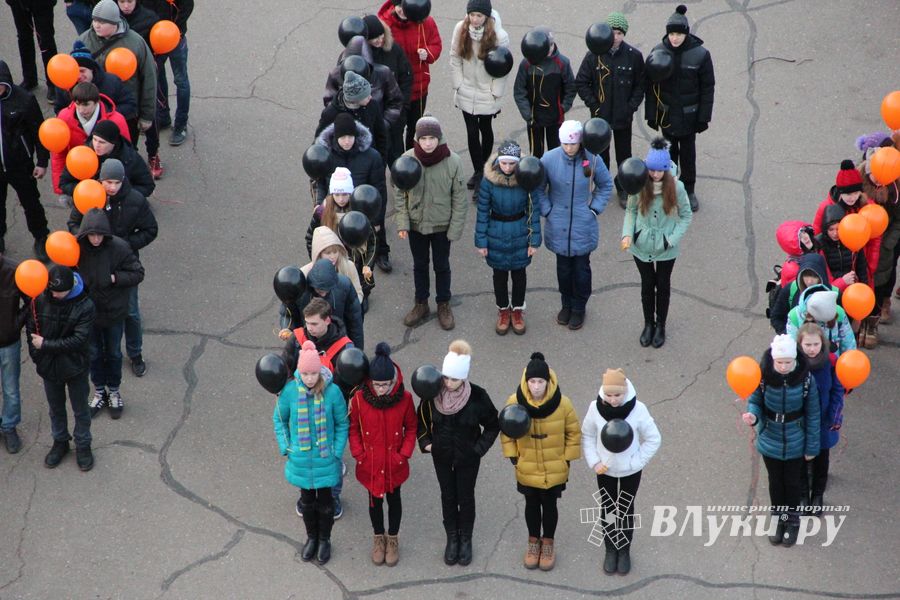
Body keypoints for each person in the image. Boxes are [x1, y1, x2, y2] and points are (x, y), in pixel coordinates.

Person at [67, 159, 157, 377]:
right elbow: (73, 224)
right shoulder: (88, 195)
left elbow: (150, 229)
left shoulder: (135, 200)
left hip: (123, 264)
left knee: (131, 312)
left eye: (117, 182)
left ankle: (135, 353)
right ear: (100, 180)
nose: (113, 187)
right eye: (108, 182)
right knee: (92, 311)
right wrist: (88, 239)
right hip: (92, 264)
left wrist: (125, 245)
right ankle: (97, 356)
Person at [417, 340, 499, 566]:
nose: (448, 383)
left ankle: (466, 538)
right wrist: (427, 443)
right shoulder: (432, 394)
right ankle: (452, 538)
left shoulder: (478, 397)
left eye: (454, 379)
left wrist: (477, 450)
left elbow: (493, 425)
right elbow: (421, 420)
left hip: (467, 459)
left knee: (466, 497)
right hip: (441, 457)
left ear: (463, 377)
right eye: (446, 377)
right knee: (448, 497)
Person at [500, 352, 580, 571]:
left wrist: (567, 458)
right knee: (531, 504)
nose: (536, 387)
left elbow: (573, 432)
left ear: (548, 381)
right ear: (526, 381)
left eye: (540, 382)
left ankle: (548, 543)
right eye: (532, 381)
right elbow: (506, 430)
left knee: (550, 505)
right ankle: (533, 542)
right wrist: (514, 456)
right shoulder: (515, 402)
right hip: (527, 465)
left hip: (554, 467)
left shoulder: (563, 404)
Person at [530, 120, 613, 331]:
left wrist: (594, 209)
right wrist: (547, 210)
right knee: (564, 270)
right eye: (565, 144)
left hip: (583, 225)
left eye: (573, 144)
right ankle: (566, 304)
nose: (569, 148)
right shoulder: (548, 159)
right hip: (558, 225)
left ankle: (579, 307)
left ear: (580, 142)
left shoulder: (593, 159)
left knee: (582, 270)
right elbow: (538, 188)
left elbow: (605, 185)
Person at [273, 339, 349, 565]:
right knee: (306, 503)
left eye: (313, 373)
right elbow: (280, 420)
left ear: (319, 371)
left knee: (326, 503)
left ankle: (325, 539)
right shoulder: (289, 392)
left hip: (326, 458)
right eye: (305, 374)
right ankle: (312, 538)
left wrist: (336, 451)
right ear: (299, 371)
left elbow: (342, 423)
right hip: (301, 459)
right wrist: (287, 447)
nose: (309, 378)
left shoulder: (333, 392)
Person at [742, 335, 820, 547]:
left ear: (794, 360)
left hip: (796, 440)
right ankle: (778, 519)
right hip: (770, 438)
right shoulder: (762, 377)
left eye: (787, 362)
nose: (784, 367)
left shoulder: (806, 380)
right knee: (775, 483)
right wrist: (753, 416)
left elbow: (813, 414)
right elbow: (755, 401)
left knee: (793, 484)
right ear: (773, 360)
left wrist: (812, 447)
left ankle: (792, 521)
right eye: (780, 362)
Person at [581, 368, 660, 575]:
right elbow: (587, 435)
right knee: (608, 508)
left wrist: (636, 462)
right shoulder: (594, 408)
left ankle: (624, 550)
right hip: (604, 470)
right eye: (609, 395)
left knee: (625, 509)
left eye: (618, 395)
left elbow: (654, 438)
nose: (613, 400)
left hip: (630, 472)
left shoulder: (638, 409)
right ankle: (610, 549)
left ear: (625, 391)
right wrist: (594, 462)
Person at [394, 116, 468, 330]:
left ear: (439, 137)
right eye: (423, 138)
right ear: (417, 139)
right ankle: (421, 303)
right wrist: (403, 223)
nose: (428, 143)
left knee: (442, 265)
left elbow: (460, 198)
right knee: (420, 265)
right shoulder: (407, 159)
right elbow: (399, 193)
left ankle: (443, 303)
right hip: (416, 225)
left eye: (432, 138)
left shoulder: (453, 161)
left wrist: (455, 229)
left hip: (442, 226)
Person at [348, 342, 416, 566]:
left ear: (393, 381)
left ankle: (392, 538)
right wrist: (359, 454)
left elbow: (411, 428)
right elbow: (353, 428)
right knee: (374, 503)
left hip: (394, 463)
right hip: (370, 463)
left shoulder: (405, 399)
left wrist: (403, 455)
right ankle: (378, 537)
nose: (381, 389)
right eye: (377, 384)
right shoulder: (359, 399)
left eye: (385, 384)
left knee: (394, 500)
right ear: (370, 381)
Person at [621, 138, 692, 348]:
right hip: (641, 244)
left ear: (666, 170)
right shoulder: (639, 183)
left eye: (659, 171)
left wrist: (671, 240)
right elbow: (631, 210)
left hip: (665, 247)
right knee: (646, 285)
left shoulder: (677, 187)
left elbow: (686, 216)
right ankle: (648, 324)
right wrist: (627, 234)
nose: (655, 174)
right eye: (651, 170)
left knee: (662, 285)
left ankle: (661, 325)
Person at [25, 265, 96, 470]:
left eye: (59, 292)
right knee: (55, 409)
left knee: (80, 409)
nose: (54, 295)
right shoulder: (41, 299)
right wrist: (38, 357)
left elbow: (79, 340)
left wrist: (45, 345)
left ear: (70, 288)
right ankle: (60, 441)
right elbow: (31, 329)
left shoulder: (85, 305)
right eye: (52, 290)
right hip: (49, 366)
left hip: (76, 366)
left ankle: (83, 445)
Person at [644, 4, 714, 212]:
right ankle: (669, 189)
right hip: (667, 115)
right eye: (672, 34)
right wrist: (651, 114)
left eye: (679, 34)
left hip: (689, 116)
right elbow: (651, 86)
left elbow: (708, 88)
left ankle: (689, 189)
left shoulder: (700, 55)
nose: (675, 38)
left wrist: (704, 117)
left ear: (686, 33)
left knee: (688, 155)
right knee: (669, 154)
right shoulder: (658, 52)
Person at [76, 208, 145, 419]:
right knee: (94, 354)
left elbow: (137, 272)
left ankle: (114, 391)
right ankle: (99, 391)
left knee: (114, 353)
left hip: (114, 312)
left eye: (100, 234)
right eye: (92, 235)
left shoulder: (119, 248)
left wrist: (115, 278)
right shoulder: (76, 250)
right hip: (89, 315)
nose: (96, 239)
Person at [575, 12, 644, 207]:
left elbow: (640, 85)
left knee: (624, 154)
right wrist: (593, 105)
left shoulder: (634, 56)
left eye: (619, 33)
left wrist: (630, 107)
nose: (615, 37)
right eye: (612, 32)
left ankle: (623, 188)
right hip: (600, 117)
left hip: (623, 116)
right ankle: (601, 186)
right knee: (599, 155)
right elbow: (581, 82)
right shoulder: (593, 55)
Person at [474, 140, 541, 334]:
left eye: (512, 164)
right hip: (496, 233)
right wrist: (481, 241)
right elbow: (482, 212)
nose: (508, 168)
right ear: (498, 162)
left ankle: (517, 310)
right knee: (499, 276)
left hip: (520, 232)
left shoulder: (526, 179)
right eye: (504, 163)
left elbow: (533, 210)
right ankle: (503, 310)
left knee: (519, 275)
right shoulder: (489, 182)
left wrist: (534, 240)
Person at [79, 0, 158, 158]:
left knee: (127, 151)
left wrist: (146, 115)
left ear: (114, 22)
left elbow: (149, 79)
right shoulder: (84, 40)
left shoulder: (135, 42)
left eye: (102, 22)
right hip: (94, 111)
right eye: (95, 20)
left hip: (126, 111)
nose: (97, 25)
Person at [314, 113, 391, 274]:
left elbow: (379, 191)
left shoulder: (372, 157)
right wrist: (319, 203)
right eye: (343, 137)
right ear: (336, 137)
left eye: (350, 136)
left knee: (366, 246)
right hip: (335, 207)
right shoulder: (326, 156)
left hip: (361, 209)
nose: (347, 141)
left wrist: (377, 220)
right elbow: (319, 182)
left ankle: (381, 255)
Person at [450, 1, 510, 193]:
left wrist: (495, 92)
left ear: (486, 16)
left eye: (479, 16)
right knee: (471, 131)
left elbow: (503, 68)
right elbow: (455, 57)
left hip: (487, 91)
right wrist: (458, 84)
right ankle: (478, 171)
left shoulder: (499, 36)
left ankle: (485, 170)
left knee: (485, 127)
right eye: (472, 15)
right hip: (466, 89)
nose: (475, 19)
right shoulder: (460, 28)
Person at [0, 60, 50, 258]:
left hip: (20, 165)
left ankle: (41, 237)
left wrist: (42, 162)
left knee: (31, 203)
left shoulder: (25, 100)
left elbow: (40, 132)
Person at [377, 0, 442, 150]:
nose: (402, 10)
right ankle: (399, 161)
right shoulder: (384, 25)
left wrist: (428, 53)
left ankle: (413, 158)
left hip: (419, 88)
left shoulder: (426, 22)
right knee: (395, 132)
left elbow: (436, 44)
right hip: (395, 92)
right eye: (399, 6)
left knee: (415, 129)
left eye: (404, 6)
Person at [323, 36, 405, 149]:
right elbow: (329, 100)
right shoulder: (335, 74)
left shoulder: (383, 73)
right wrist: (343, 123)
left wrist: (384, 124)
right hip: (346, 135)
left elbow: (395, 101)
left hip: (374, 132)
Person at [51, 81, 131, 195]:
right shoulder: (64, 117)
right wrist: (60, 187)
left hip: (108, 180)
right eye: (77, 104)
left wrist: (123, 188)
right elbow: (58, 152)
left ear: (97, 101)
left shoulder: (117, 121)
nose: (81, 109)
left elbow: (127, 154)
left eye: (86, 104)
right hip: (77, 176)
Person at [796, 323, 843, 517]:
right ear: (800, 344)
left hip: (823, 421)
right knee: (799, 460)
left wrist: (834, 416)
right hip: (800, 421)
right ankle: (802, 496)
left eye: (816, 344)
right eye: (807, 345)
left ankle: (817, 495)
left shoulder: (831, 361)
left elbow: (837, 390)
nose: (812, 349)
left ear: (822, 343)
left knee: (822, 460)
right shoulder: (793, 362)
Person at [115, 0, 165, 179]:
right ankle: (131, 157)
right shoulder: (111, 21)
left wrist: (154, 65)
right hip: (121, 81)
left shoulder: (149, 19)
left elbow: (160, 48)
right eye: (122, 1)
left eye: (129, 1)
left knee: (150, 116)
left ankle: (153, 154)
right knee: (128, 121)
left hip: (144, 76)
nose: (126, 6)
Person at [860, 136, 900, 345]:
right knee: (860, 282)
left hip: (884, 243)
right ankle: (859, 321)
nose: (878, 180)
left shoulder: (895, 189)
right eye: (874, 175)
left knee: (882, 280)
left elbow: (898, 221)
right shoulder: (860, 183)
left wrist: (888, 243)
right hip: (859, 241)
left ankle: (873, 322)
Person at [513, 27, 576, 159]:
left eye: (551, 45)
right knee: (536, 154)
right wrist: (528, 114)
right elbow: (519, 91)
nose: (549, 49)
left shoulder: (562, 63)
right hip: (534, 119)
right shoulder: (526, 64)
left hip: (555, 118)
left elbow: (571, 87)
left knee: (556, 153)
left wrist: (563, 108)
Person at [58, 119, 156, 201]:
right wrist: (85, 190)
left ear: (113, 143)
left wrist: (123, 194)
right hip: (89, 201)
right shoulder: (82, 154)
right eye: (94, 139)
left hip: (121, 205)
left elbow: (147, 186)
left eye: (102, 142)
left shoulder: (129, 156)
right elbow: (64, 183)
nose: (96, 145)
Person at [363, 13, 413, 164]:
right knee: (376, 158)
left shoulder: (394, 50)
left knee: (397, 155)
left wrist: (403, 106)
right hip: (372, 116)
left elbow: (406, 77)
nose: (379, 40)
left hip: (394, 114)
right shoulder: (360, 57)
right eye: (374, 38)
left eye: (381, 35)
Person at [143, 0, 193, 146]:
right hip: (155, 39)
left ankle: (181, 124)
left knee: (181, 81)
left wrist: (175, 29)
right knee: (157, 76)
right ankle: (163, 116)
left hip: (176, 38)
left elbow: (187, 5)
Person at [287, 258, 364, 351]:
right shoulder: (301, 289)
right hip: (309, 341)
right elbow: (290, 312)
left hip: (337, 340)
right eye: (319, 290)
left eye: (327, 290)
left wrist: (358, 351)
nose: (323, 294)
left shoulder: (345, 286)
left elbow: (355, 321)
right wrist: (288, 329)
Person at [53, 41, 136, 119]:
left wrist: (106, 114)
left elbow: (129, 104)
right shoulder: (64, 85)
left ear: (91, 69)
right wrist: (75, 116)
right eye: (75, 71)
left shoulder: (112, 82)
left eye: (82, 71)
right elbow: (59, 109)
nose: (78, 76)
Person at [316, 71, 388, 159]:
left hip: (369, 160)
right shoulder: (331, 113)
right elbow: (320, 141)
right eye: (366, 96)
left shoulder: (372, 105)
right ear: (355, 99)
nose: (370, 97)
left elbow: (381, 136)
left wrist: (381, 161)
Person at [0, 251, 27, 453]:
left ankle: (9, 426)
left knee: (10, 388)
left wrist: (16, 324)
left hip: (8, 342)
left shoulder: (16, 271)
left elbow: (32, 301)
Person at [7, 0, 58, 101]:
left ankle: (52, 82)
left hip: (42, 3)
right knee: (23, 38)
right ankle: (29, 79)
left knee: (46, 40)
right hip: (18, 3)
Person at [769, 253, 832, 335]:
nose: (809, 281)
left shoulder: (833, 294)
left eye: (814, 276)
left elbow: (843, 325)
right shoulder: (791, 289)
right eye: (806, 275)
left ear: (822, 275)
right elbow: (776, 317)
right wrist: (789, 335)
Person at [786, 287, 856, 357]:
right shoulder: (795, 316)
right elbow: (792, 346)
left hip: (833, 359)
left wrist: (850, 359)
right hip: (804, 360)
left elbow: (848, 342)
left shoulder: (839, 312)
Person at [304, 224, 364, 304]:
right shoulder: (306, 272)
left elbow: (358, 292)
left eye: (335, 252)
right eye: (328, 253)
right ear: (319, 253)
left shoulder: (349, 266)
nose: (332, 256)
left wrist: (351, 304)